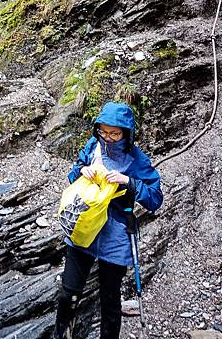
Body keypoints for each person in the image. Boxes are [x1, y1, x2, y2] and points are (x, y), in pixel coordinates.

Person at [54, 101, 163, 339]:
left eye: (115, 133)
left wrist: (128, 182)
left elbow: (155, 199)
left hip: (115, 234)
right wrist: (82, 171)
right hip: (84, 225)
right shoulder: (93, 146)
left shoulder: (137, 160)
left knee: (110, 300)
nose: (108, 138)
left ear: (127, 132)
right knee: (68, 293)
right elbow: (74, 173)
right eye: (103, 131)